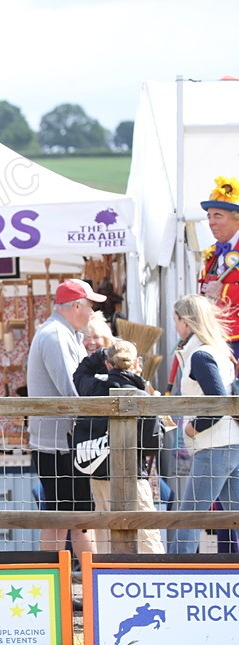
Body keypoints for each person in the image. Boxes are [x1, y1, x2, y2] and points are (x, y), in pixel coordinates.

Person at [26, 278, 103, 562]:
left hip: (59, 441)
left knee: (63, 517)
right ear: (77, 306)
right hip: (61, 443)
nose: (92, 312)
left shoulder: (61, 333)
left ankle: (56, 576)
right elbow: (72, 390)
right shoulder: (56, 335)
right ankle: (92, 578)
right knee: (76, 518)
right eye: (90, 306)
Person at [72, 339, 165, 554]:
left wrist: (103, 353)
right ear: (136, 363)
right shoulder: (143, 397)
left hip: (98, 472)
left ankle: (109, 574)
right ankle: (155, 573)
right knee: (147, 537)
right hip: (132, 474)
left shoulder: (94, 390)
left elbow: (80, 372)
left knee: (106, 538)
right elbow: (152, 443)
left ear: (108, 364)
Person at [169, 294, 239, 554]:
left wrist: (192, 428)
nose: (175, 325)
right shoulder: (218, 351)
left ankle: (174, 572)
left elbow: (218, 402)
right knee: (234, 514)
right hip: (230, 442)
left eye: (176, 320)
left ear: (186, 322)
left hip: (213, 444)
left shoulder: (200, 355)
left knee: (189, 518)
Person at [197, 175, 239, 357]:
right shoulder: (213, 252)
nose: (211, 222)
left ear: (237, 218)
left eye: (218, 216)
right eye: (209, 216)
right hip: (215, 336)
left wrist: (224, 291)